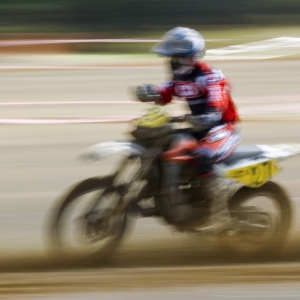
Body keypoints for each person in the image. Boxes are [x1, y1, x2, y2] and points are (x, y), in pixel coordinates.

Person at [135, 27, 241, 233]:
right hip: (197, 127)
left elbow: (217, 100)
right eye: (169, 58)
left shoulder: (210, 77)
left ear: (188, 58)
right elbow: (164, 93)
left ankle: (219, 215)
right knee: (167, 146)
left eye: (174, 58)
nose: (170, 62)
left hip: (222, 128)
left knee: (202, 156)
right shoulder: (179, 79)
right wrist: (150, 92)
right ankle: (169, 192)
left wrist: (209, 114)